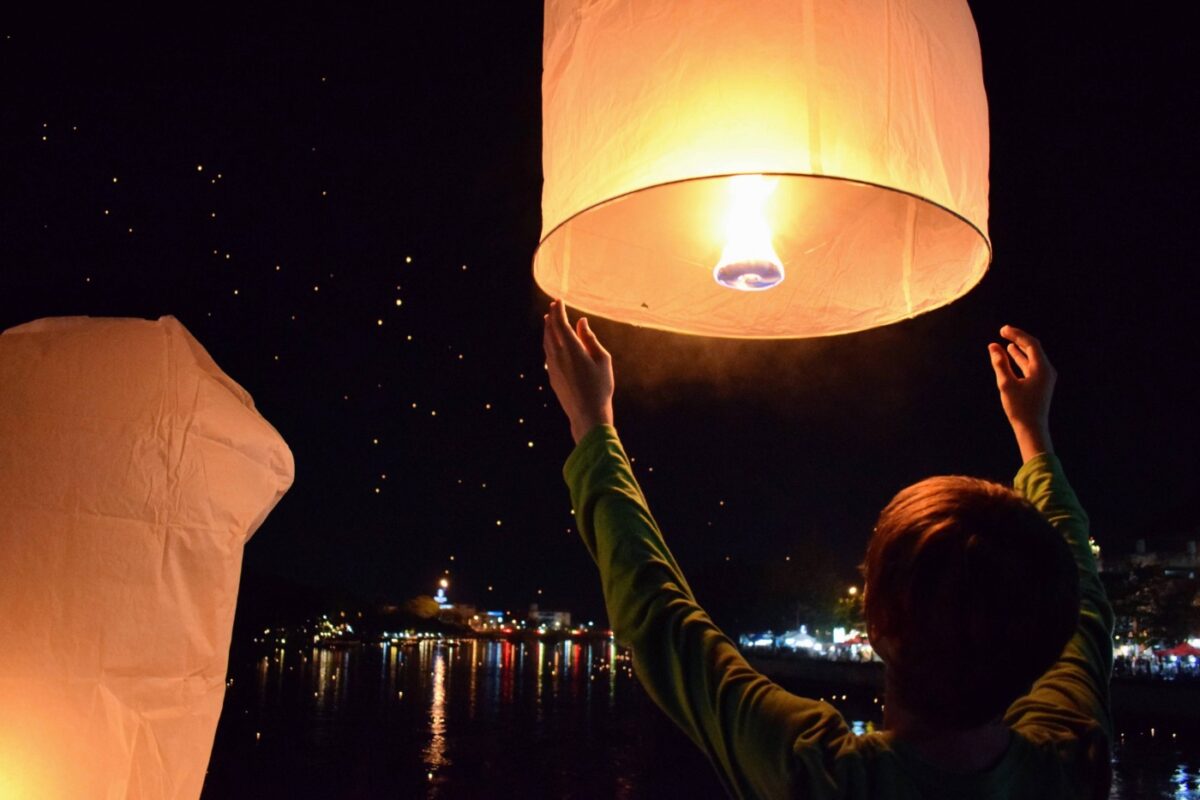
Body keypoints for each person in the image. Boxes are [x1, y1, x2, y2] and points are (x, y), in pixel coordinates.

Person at [542, 300, 1113, 799]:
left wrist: (591, 424)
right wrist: (1033, 432)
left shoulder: (822, 777)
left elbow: (659, 618)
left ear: (878, 626)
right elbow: (1082, 592)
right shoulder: (1070, 760)